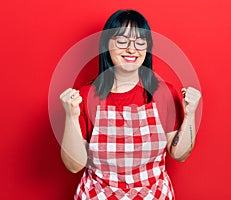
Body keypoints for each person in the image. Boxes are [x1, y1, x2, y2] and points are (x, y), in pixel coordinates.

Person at [59, 9, 201, 200]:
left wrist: (190, 114)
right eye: (122, 41)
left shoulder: (164, 93)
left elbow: (179, 154)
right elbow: (74, 165)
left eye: (140, 42)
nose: (132, 49)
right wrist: (70, 116)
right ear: (106, 45)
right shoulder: (86, 96)